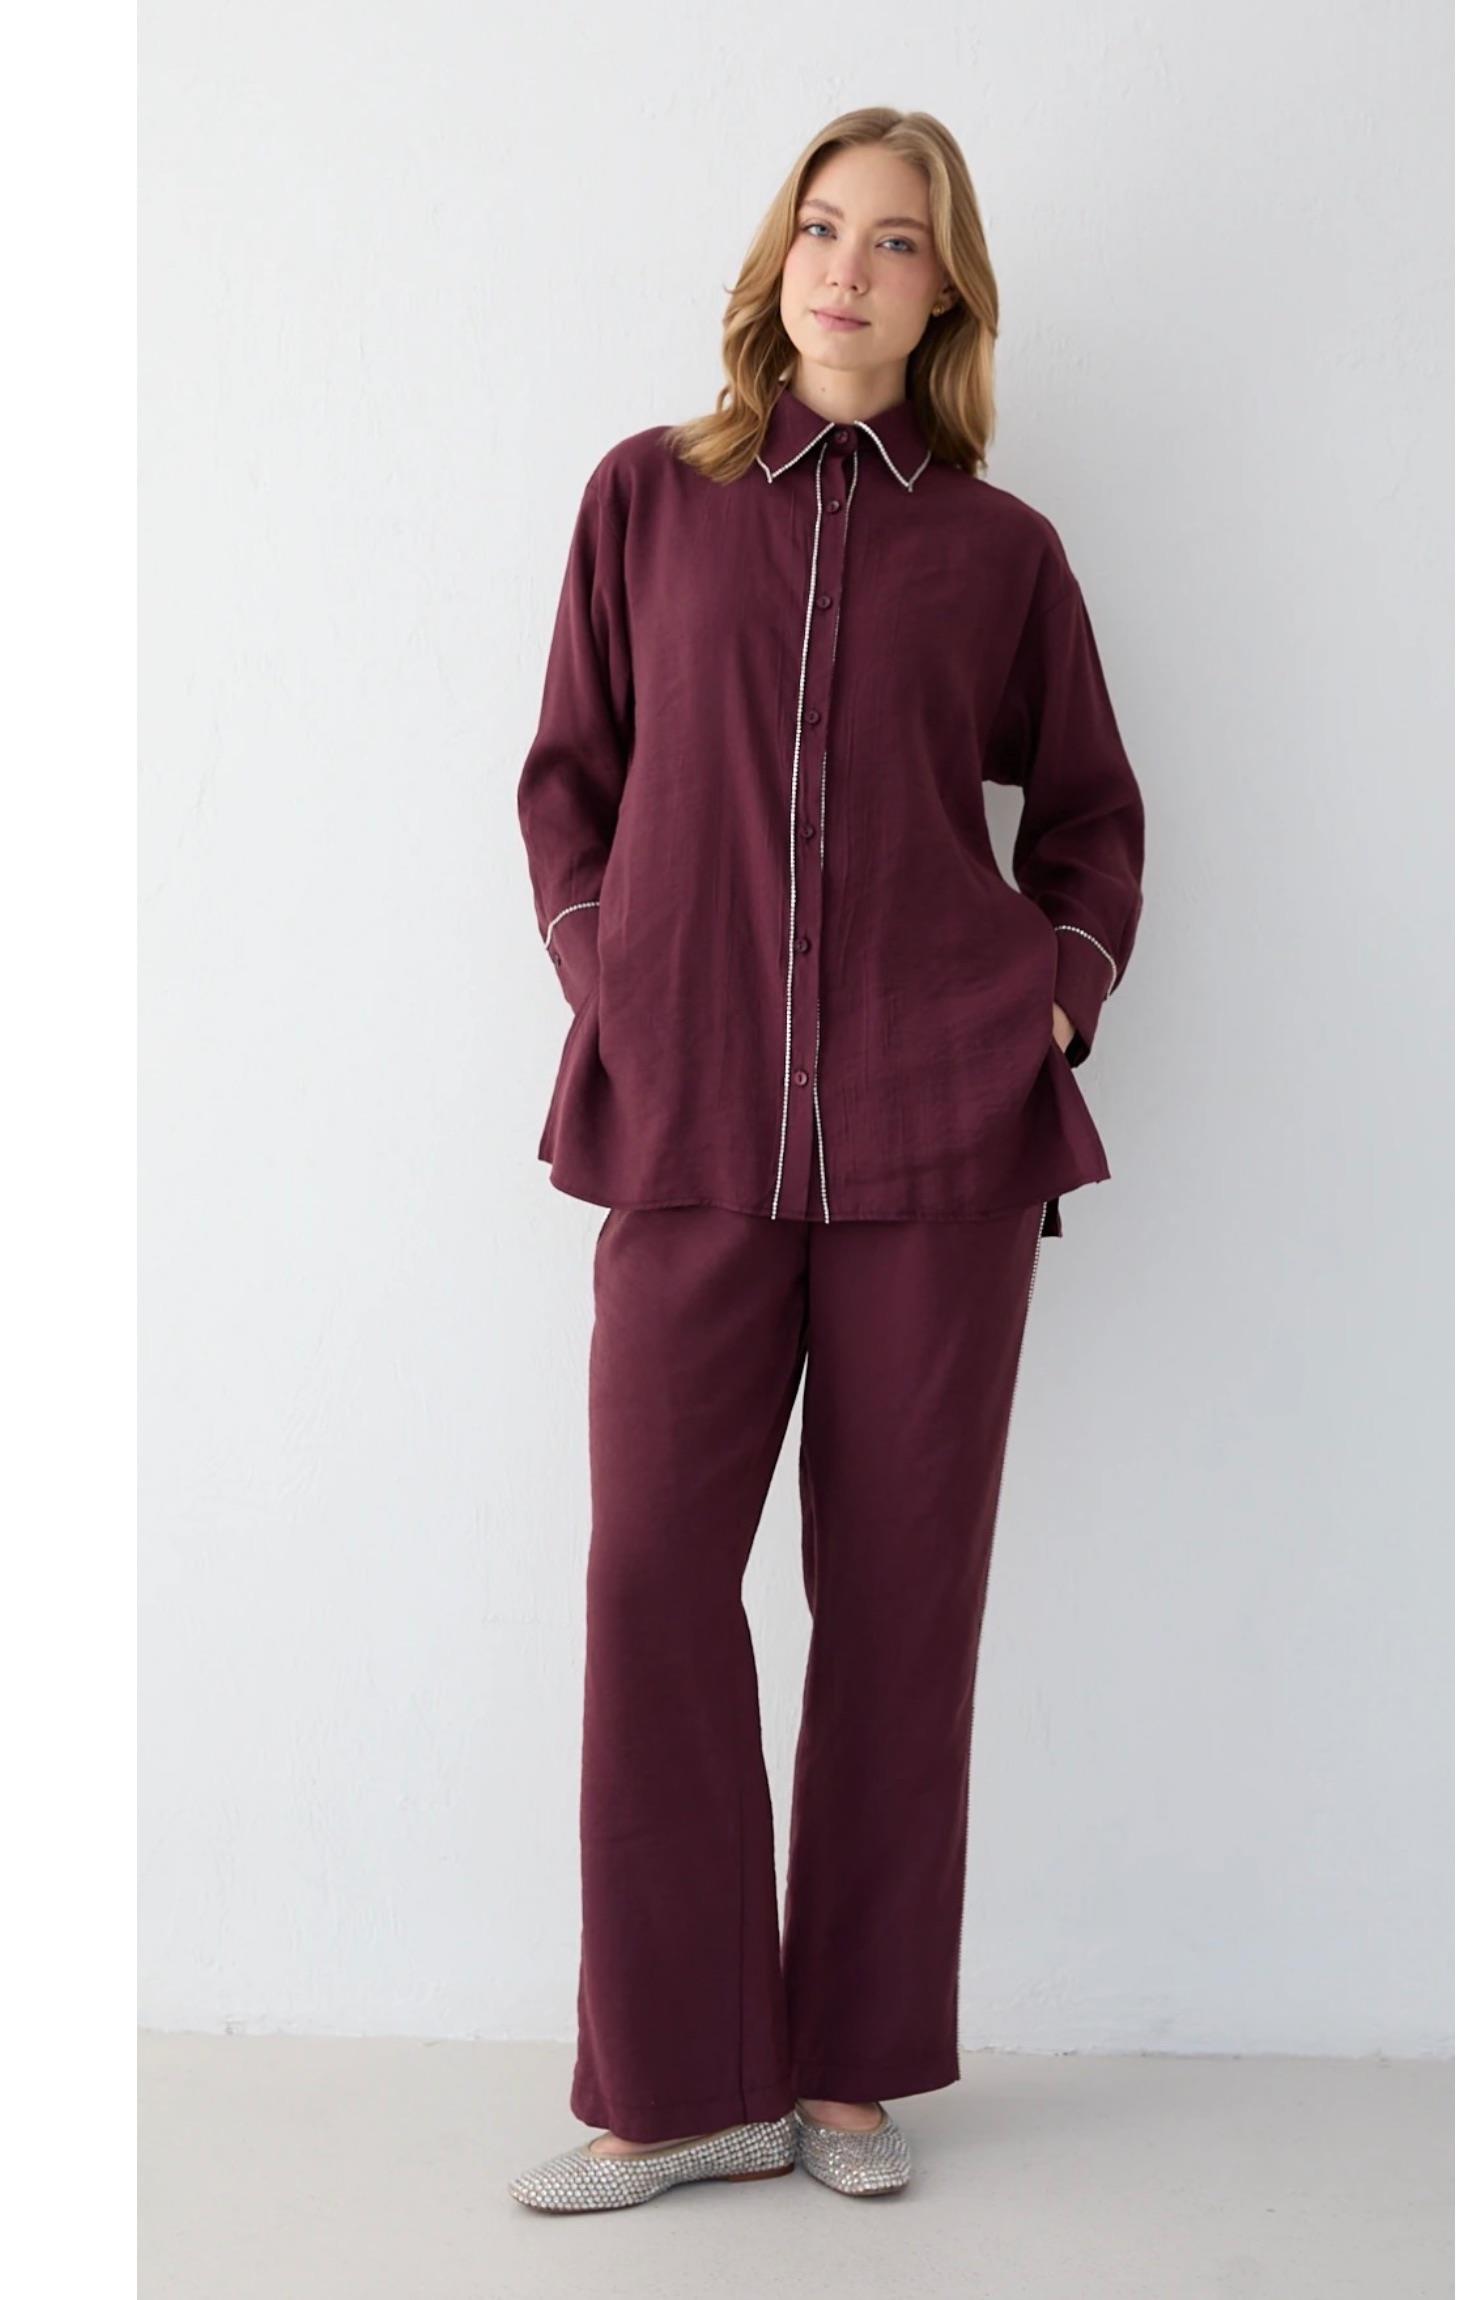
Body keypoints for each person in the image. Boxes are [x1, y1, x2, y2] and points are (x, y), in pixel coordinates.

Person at [508, 106, 1146, 2214]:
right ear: (776, 258)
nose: (848, 269)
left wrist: (1053, 997)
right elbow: (570, 780)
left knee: (896, 1605)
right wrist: (611, 977)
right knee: (650, 1580)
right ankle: (679, 2083)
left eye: (895, 241)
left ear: (945, 289)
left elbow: (1091, 819)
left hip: (937, 1141)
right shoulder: (649, 500)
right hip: (688, 1119)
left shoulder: (1002, 552)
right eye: (822, 228)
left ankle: (852, 2067)